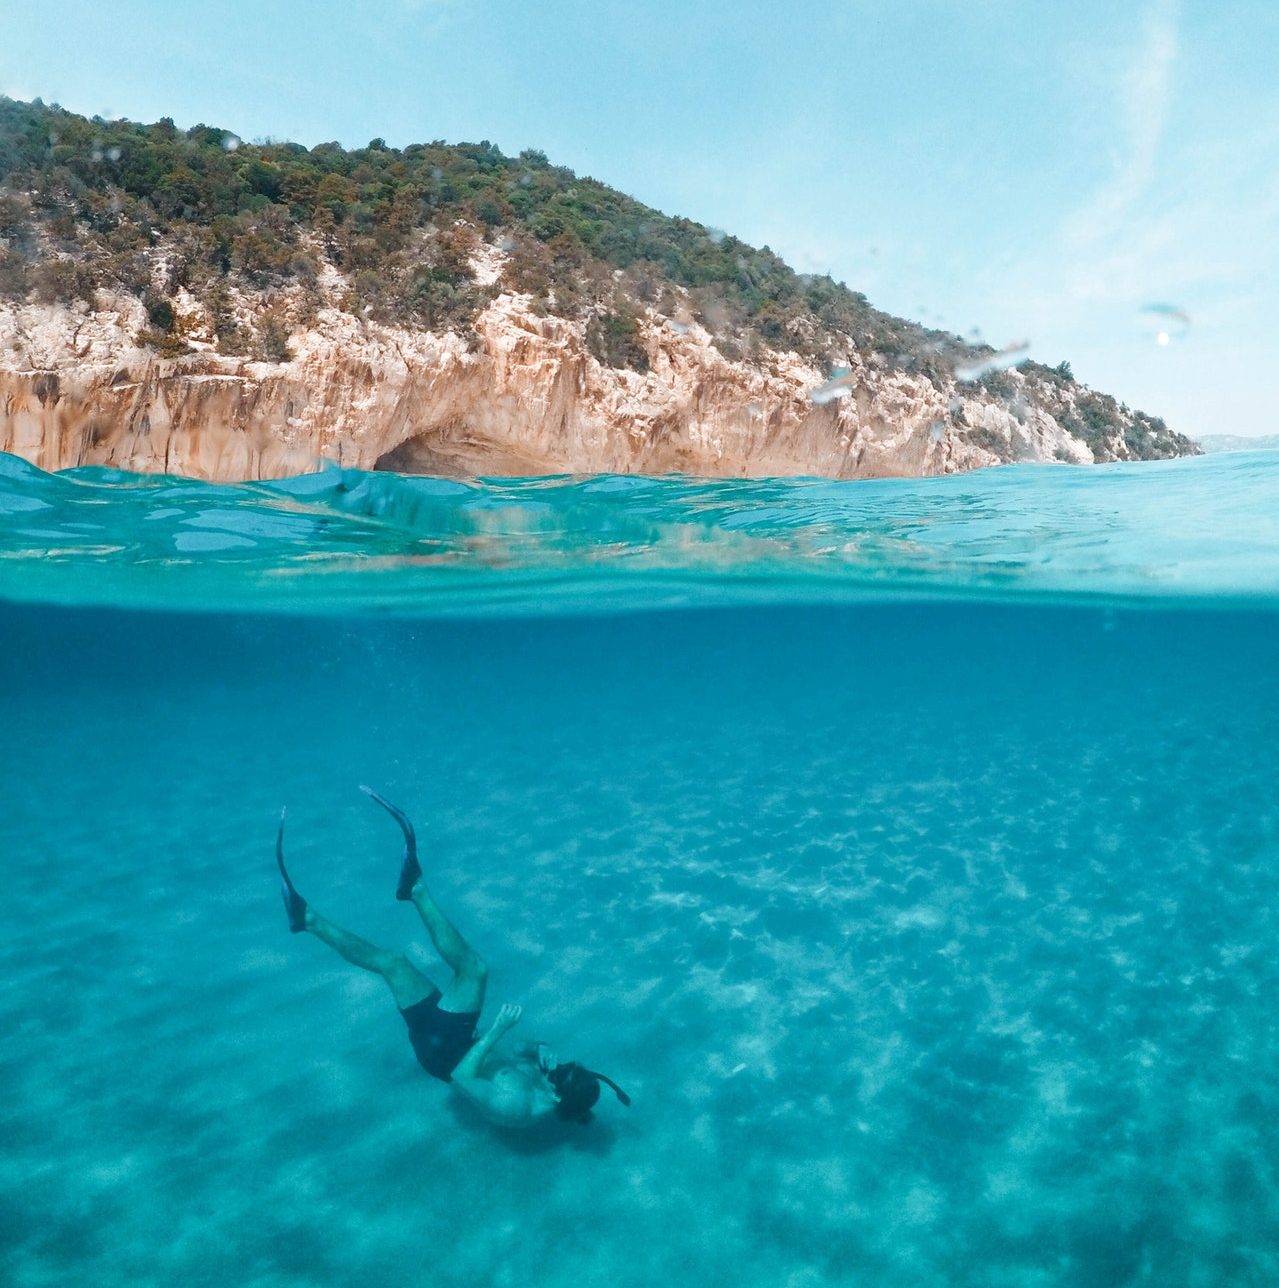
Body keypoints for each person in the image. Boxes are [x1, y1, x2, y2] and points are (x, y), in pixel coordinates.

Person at [275, 787, 629, 1128]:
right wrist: (540, 1048)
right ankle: (307, 919)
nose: (557, 1068)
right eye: (566, 1066)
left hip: (446, 1055)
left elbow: (462, 1078)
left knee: (473, 969)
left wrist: (496, 1029)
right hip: (454, 1042)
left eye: (560, 1074)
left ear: (555, 1096)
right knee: (393, 963)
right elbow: (516, 1052)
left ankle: (416, 889)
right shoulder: (548, 1083)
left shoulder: (517, 1107)